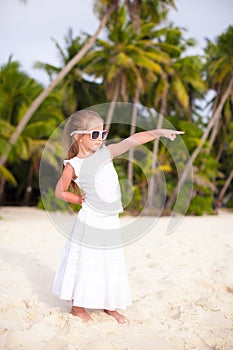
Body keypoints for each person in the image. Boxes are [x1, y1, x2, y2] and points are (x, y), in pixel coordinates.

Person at [53, 109, 184, 323]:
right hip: (91, 221)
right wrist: (78, 200)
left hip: (111, 220)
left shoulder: (106, 153)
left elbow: (132, 140)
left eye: (103, 134)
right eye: (94, 134)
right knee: (88, 262)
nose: (100, 139)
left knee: (110, 262)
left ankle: (109, 305)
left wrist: (159, 132)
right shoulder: (74, 165)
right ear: (78, 136)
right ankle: (78, 307)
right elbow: (60, 191)